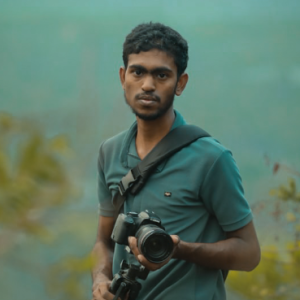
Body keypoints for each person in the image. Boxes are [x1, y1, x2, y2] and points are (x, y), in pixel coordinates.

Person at [91, 22, 260, 300]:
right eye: (138, 72)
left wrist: (179, 250)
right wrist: (100, 279)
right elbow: (102, 242)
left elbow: (249, 254)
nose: (147, 85)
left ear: (180, 83)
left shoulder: (211, 159)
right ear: (123, 77)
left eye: (161, 75)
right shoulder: (109, 152)